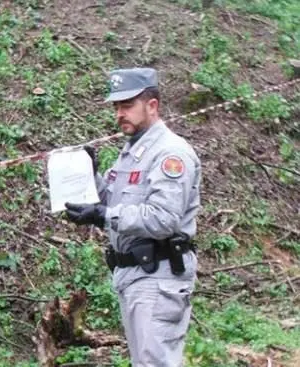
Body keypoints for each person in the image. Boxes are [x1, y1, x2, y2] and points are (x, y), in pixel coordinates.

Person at [63, 67, 201, 367]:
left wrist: (103, 215)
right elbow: (114, 202)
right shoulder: (133, 151)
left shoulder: (169, 153)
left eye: (127, 106)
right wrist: (91, 176)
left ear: (152, 105)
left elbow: (164, 218)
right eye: (116, 107)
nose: (119, 114)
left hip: (159, 274)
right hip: (134, 275)